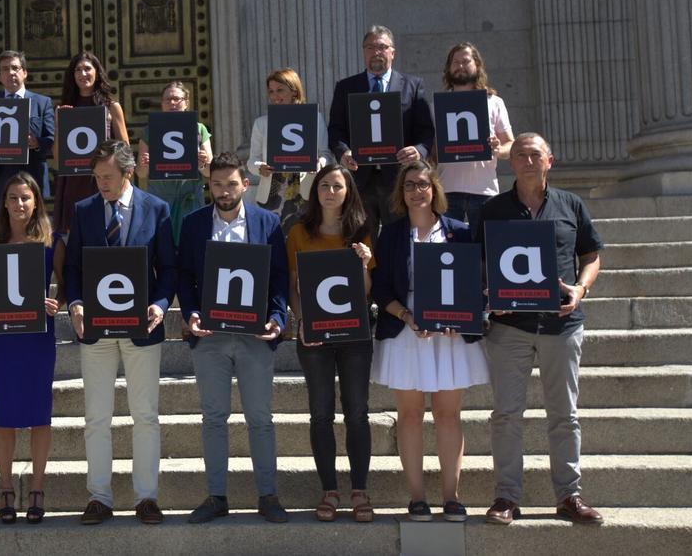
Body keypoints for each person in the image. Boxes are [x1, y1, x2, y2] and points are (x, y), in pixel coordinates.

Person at [474, 133, 604, 526]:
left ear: (550, 160)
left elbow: (592, 256)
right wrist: (485, 293)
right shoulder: (491, 210)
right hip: (508, 326)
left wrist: (581, 289)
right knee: (506, 414)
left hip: (561, 325)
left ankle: (569, 496)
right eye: (520, 155)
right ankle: (507, 498)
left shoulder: (571, 205)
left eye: (535, 155)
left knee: (564, 414)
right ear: (509, 163)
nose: (528, 161)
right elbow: (474, 262)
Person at [63, 140, 177, 526]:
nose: (101, 185)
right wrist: (74, 303)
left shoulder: (156, 209)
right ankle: (99, 497)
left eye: (107, 177)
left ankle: (146, 497)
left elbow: (169, 268)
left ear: (128, 173)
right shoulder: (83, 211)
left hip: (141, 330)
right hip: (95, 330)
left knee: (145, 416)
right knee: (96, 417)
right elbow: (73, 267)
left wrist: (160, 306)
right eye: (96, 178)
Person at [176, 152, 290, 524]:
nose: (224, 191)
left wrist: (276, 317)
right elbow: (185, 275)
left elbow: (278, 279)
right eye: (217, 184)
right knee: (213, 417)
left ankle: (268, 495)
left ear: (245, 183)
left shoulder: (268, 222)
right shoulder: (194, 224)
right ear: (209, 185)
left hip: (255, 336)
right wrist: (191, 312)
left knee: (260, 417)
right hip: (210, 336)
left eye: (231, 183)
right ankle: (216, 496)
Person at [371, 161, 488, 522]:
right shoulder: (390, 234)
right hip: (406, 331)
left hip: (448, 337)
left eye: (422, 184)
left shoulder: (458, 231)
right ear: (400, 193)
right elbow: (381, 288)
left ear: (434, 189)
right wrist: (407, 316)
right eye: (409, 185)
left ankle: (452, 496)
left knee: (447, 414)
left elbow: (473, 283)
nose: (416, 191)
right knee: (408, 415)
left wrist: (459, 316)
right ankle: (417, 497)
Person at [285, 164, 375, 522]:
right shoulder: (298, 232)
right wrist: (302, 321)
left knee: (357, 412)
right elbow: (294, 285)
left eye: (337, 186)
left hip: (354, 334)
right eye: (324, 185)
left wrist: (365, 264)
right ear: (315, 191)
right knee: (320, 413)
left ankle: (359, 490)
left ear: (348, 192)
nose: (330, 192)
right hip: (314, 334)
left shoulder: (362, 231)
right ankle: (329, 490)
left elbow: (366, 292)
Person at [0, 172, 60, 524]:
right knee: (5, 417)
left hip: (37, 337)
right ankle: (6, 488)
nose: (19, 204)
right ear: (4, 203)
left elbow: (64, 287)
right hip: (3, 341)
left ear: (36, 201)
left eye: (25, 197)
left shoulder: (52, 241)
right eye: (13, 198)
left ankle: (38, 489)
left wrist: (55, 301)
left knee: (39, 415)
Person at [328, 25, 435, 233]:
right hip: (360, 180)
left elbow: (426, 131)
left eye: (382, 47)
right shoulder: (345, 87)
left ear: (392, 52)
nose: (376, 52)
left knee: (398, 241)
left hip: (399, 180)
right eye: (370, 47)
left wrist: (419, 150)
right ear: (363, 52)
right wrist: (343, 152)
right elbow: (335, 129)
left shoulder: (412, 86)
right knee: (361, 242)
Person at [51, 51, 129, 298]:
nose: (83, 74)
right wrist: (59, 121)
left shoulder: (111, 106)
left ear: (97, 72)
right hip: (72, 182)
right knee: (69, 240)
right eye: (77, 70)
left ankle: (103, 294)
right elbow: (56, 156)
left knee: (99, 238)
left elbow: (124, 147)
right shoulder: (65, 109)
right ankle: (70, 292)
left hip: (100, 182)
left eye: (87, 69)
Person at [0, 50, 55, 228]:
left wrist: (36, 143)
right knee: (0, 235)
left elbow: (51, 140)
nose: (11, 73)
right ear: (0, 76)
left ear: (24, 73)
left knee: (33, 232)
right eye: (5, 69)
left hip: (31, 179)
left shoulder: (42, 102)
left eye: (15, 68)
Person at [436, 42, 514, 223]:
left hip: (484, 191)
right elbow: (431, 150)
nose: (460, 66)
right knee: (450, 250)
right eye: (455, 62)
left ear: (477, 65)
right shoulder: (436, 106)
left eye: (465, 61)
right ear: (448, 68)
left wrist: (497, 149)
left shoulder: (494, 102)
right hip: (447, 191)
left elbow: (510, 145)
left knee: (485, 248)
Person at [247, 68, 332, 233]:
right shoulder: (261, 124)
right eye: (271, 91)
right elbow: (251, 161)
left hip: (305, 194)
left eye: (280, 90)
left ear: (294, 91)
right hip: (272, 196)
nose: (274, 96)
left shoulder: (314, 118)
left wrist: (320, 163)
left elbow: (326, 154)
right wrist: (260, 167)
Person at [136, 81, 212, 242]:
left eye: (177, 99)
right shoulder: (150, 131)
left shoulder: (199, 129)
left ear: (186, 102)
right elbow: (141, 174)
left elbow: (210, 172)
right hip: (160, 201)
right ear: (162, 104)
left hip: (190, 202)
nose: (172, 103)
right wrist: (144, 164)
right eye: (167, 99)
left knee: (191, 249)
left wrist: (202, 162)